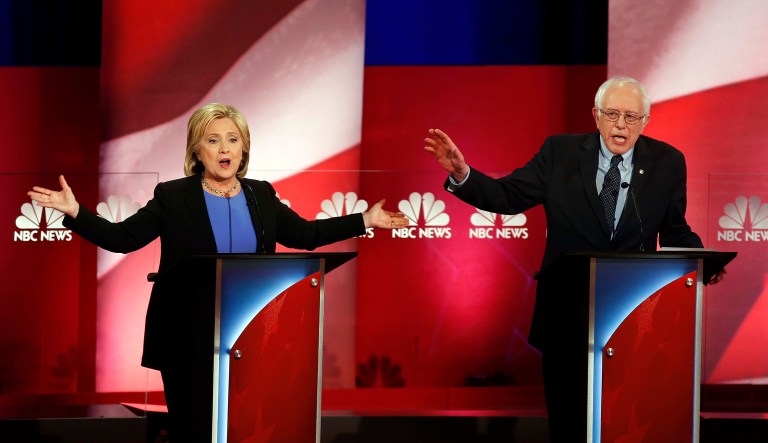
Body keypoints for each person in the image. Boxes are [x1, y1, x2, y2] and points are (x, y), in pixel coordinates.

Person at [28, 102, 408, 442]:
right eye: (213, 140)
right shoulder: (174, 196)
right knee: (193, 430)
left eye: (232, 139)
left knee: (248, 428)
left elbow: (306, 235)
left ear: (243, 148)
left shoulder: (261, 195)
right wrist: (76, 212)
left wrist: (365, 219)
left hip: (253, 335)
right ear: (197, 149)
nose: (224, 148)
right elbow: (123, 237)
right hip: (187, 337)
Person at [424, 76, 725, 442]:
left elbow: (675, 229)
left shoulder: (667, 162)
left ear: (646, 121)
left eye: (632, 117)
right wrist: (462, 174)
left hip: (634, 318)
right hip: (566, 315)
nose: (621, 125)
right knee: (568, 426)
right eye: (612, 114)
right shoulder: (560, 153)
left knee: (625, 425)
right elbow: (508, 196)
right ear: (595, 115)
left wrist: (705, 261)